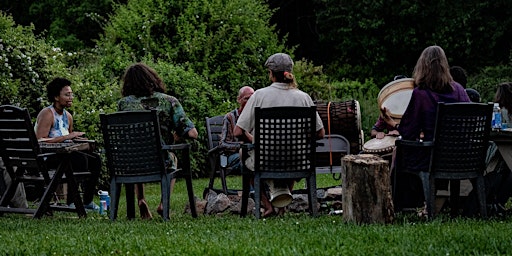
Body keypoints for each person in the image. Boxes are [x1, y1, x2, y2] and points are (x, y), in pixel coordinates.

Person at [234, 53, 325, 217]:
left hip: (265, 161)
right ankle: (282, 207)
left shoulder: (259, 96)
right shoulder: (304, 97)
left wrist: (256, 141)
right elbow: (320, 133)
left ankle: (267, 205)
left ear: (271, 73)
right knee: (291, 151)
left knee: (243, 154)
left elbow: (238, 132)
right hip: (299, 162)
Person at [380, 45, 470, 211]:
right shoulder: (459, 90)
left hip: (432, 158)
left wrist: (392, 124)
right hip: (462, 157)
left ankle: (402, 205)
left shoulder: (421, 94)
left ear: (422, 66)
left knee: (399, 151)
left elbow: (408, 132)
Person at [118, 62, 198, 219]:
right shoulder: (168, 101)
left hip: (129, 162)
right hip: (159, 160)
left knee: (138, 151)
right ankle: (163, 204)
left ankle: (141, 199)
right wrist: (177, 135)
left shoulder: (124, 104)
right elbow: (192, 133)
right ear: (152, 79)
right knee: (172, 159)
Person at [35, 77, 101, 211]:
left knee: (95, 160)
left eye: (71, 94)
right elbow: (39, 140)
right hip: (48, 156)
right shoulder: (47, 114)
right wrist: (67, 136)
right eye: (67, 95)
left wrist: (77, 140)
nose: (71, 97)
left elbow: (68, 139)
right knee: (79, 159)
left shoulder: (68, 116)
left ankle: (87, 201)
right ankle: (72, 201)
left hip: (65, 154)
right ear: (56, 97)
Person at [216, 86, 254, 175]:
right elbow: (223, 144)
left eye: (252, 99)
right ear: (239, 99)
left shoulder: (256, 117)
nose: (250, 102)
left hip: (252, 153)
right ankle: (253, 189)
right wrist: (242, 146)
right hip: (232, 156)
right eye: (247, 99)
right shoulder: (230, 117)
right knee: (248, 158)